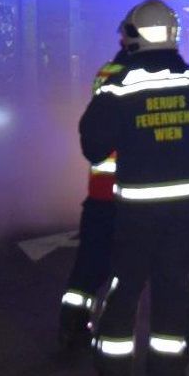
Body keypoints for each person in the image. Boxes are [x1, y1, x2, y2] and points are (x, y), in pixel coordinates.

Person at [79, 0, 189, 376]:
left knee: (125, 285)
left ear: (135, 36)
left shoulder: (118, 88)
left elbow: (93, 147)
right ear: (173, 36)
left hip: (135, 213)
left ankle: (112, 372)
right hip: (183, 212)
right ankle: (167, 375)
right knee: (173, 287)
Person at [57, 50, 128, 350]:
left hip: (100, 190)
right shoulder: (141, 74)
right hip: (132, 191)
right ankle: (114, 334)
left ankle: (72, 327)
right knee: (130, 266)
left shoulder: (107, 71)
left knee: (90, 262)